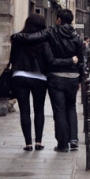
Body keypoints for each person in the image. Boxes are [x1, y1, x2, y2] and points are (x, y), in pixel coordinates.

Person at [10, 9, 84, 152]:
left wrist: (15, 36)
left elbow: (18, 52)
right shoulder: (72, 37)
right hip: (45, 77)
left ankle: (33, 143)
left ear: (58, 20)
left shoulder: (48, 34)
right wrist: (79, 76)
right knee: (49, 109)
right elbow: (77, 60)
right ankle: (46, 141)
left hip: (29, 76)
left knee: (29, 111)